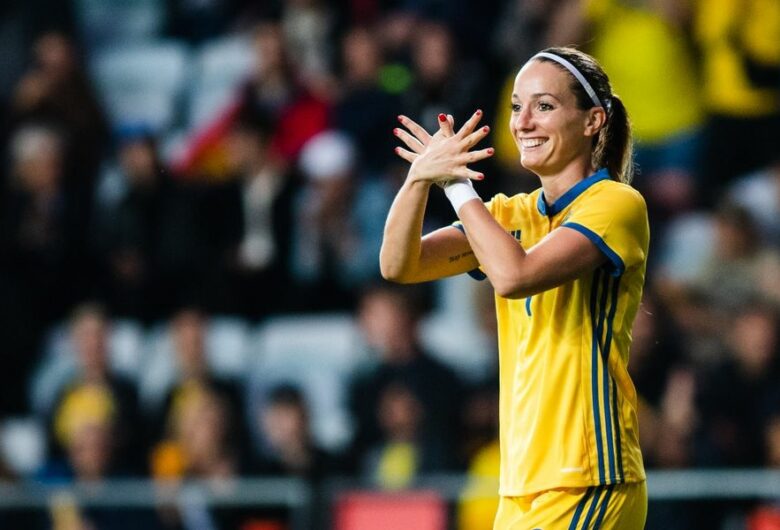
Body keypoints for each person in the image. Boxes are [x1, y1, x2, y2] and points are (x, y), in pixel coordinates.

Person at [381, 47, 649, 528]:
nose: (523, 122)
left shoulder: (615, 204)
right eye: (516, 106)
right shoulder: (509, 213)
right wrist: (419, 178)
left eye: (543, 106)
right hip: (521, 486)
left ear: (593, 121)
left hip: (588, 477)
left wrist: (456, 186)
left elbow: (513, 277)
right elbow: (400, 265)